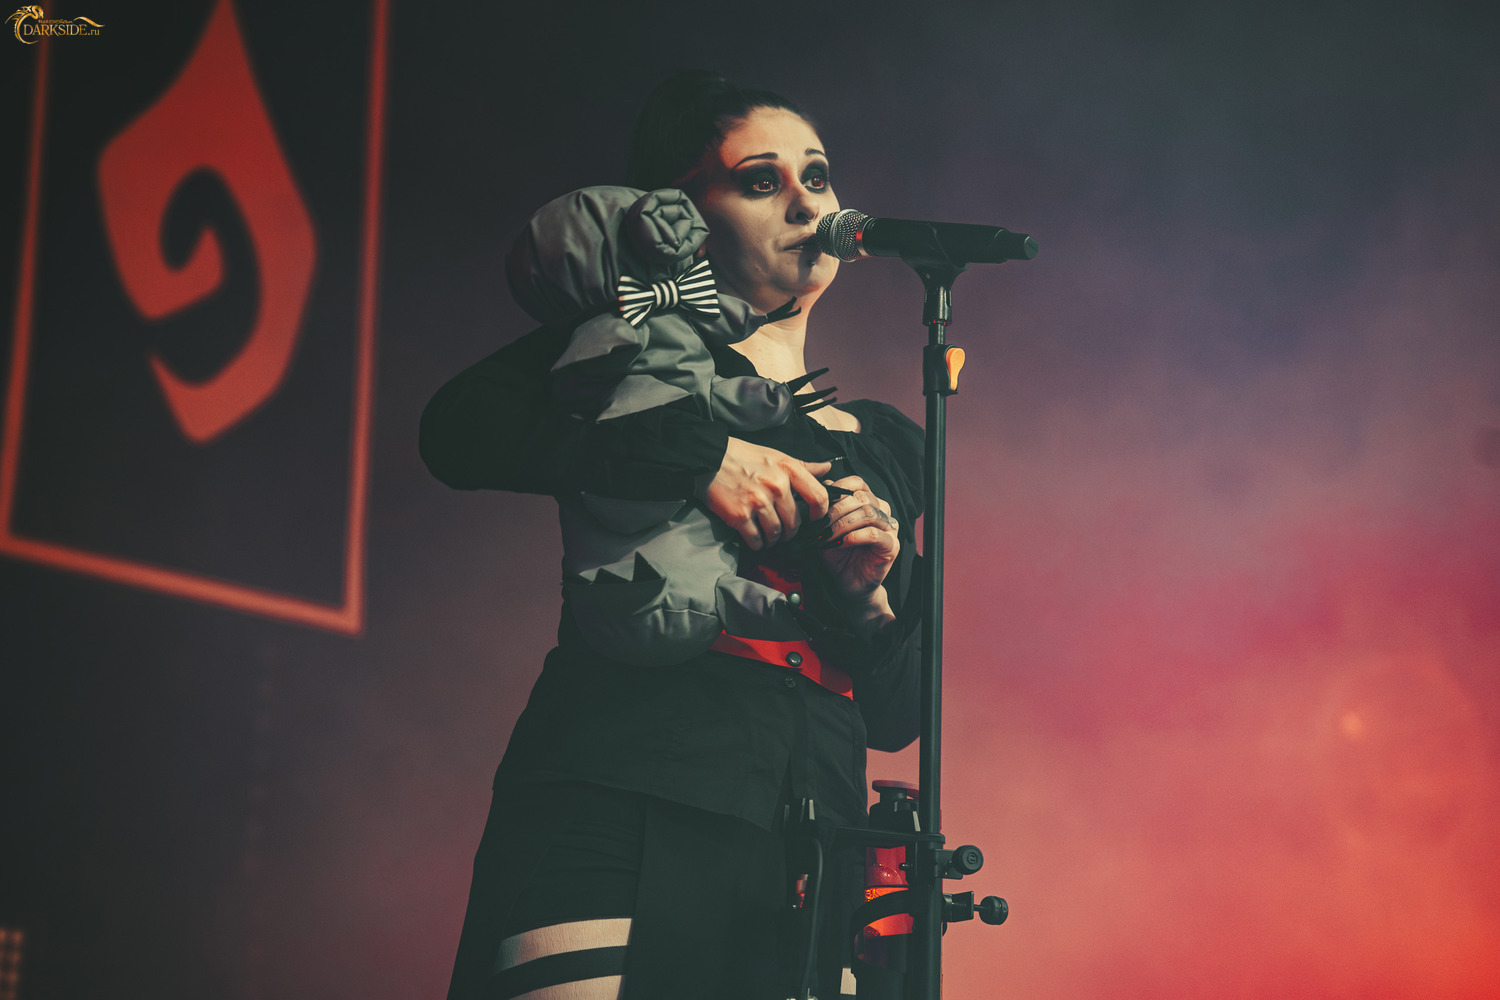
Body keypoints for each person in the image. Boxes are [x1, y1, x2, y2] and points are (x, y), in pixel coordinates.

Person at [425, 69, 924, 1000]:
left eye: (817, 176)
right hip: (624, 792)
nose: (804, 203)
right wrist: (705, 456)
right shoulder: (639, 342)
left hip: (807, 841)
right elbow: (457, 429)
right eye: (761, 181)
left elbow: (898, 717)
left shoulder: (884, 443)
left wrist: (866, 602)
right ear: (683, 216)